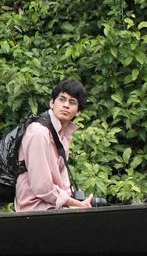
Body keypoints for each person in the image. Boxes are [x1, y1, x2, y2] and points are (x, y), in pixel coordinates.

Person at [14, 79, 101, 212]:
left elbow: (64, 182)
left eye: (72, 102)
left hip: (54, 209)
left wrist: (75, 204)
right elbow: (41, 186)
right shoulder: (39, 132)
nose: (66, 105)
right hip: (33, 210)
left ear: (78, 111)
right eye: (62, 99)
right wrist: (76, 205)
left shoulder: (62, 136)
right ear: (52, 103)